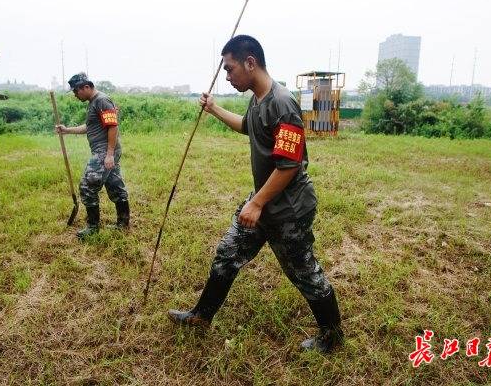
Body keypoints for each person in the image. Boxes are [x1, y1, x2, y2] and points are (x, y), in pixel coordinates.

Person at [168, 35, 343, 353]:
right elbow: (248, 126)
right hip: (262, 202)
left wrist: (257, 202)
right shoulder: (258, 100)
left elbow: (289, 166)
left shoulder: (282, 103)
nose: (228, 76)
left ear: (251, 63)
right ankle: (201, 316)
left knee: (304, 272)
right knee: (227, 254)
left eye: (231, 68)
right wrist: (214, 109)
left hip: (287, 208)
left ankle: (331, 338)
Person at [55, 73, 130, 239]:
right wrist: (67, 130)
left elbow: (113, 127)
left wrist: (109, 154)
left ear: (86, 87)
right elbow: (89, 127)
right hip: (105, 151)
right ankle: (123, 223)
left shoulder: (102, 100)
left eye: (76, 91)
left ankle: (92, 227)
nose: (75, 95)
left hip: (105, 151)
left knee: (87, 186)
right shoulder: (93, 103)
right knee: (115, 185)